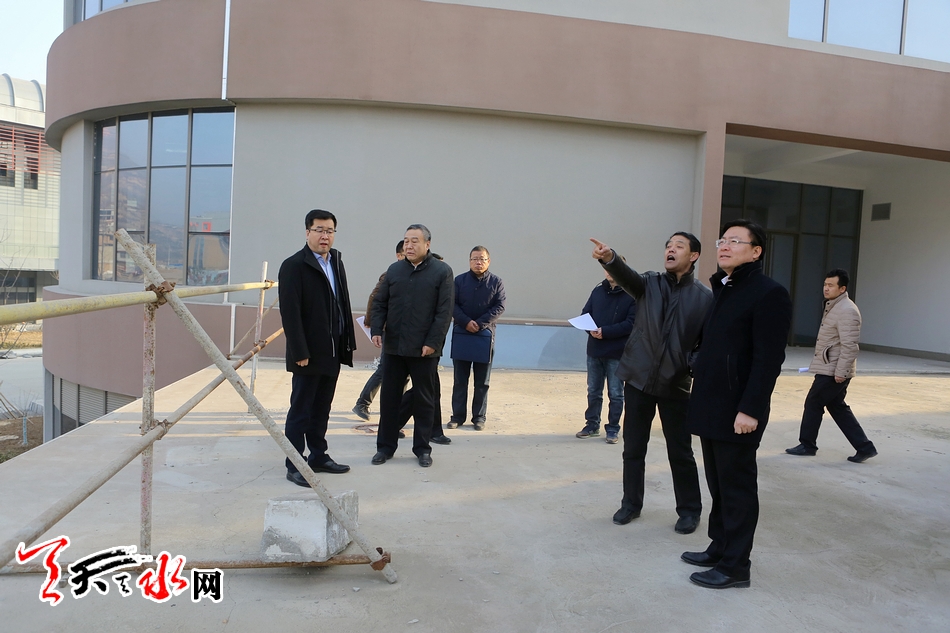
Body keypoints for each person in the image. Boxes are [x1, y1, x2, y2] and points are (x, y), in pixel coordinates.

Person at [682, 219, 792, 589]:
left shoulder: (768, 293)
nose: (725, 246)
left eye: (735, 241)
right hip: (712, 404)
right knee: (718, 484)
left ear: (756, 251)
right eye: (722, 240)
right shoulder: (725, 288)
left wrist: (751, 409)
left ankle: (735, 567)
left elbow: (768, 360)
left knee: (737, 489)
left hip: (738, 410)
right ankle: (719, 548)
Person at [590, 232, 712, 535]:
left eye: (678, 246)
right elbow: (626, 275)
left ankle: (689, 511)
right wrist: (610, 258)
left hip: (676, 384)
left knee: (680, 452)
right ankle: (631, 504)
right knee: (633, 448)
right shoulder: (649, 283)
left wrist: (689, 365)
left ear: (693, 256)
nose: (671, 249)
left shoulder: (704, 298)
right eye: (668, 246)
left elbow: (706, 343)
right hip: (639, 379)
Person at [278, 209, 356, 486]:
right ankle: (294, 463)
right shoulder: (294, 265)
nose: (325, 236)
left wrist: (347, 342)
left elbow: (342, 304)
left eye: (330, 231)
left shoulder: (336, 261)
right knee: (301, 411)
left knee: (322, 408)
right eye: (319, 230)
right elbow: (290, 313)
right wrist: (299, 351)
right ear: (307, 232)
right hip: (307, 355)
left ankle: (318, 456)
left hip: (332, 351)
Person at [370, 224, 454, 467]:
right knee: (389, 399)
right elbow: (380, 302)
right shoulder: (394, 270)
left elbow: (444, 311)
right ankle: (385, 448)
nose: (409, 245)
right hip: (394, 347)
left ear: (427, 244)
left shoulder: (442, 272)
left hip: (424, 349)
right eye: (406, 241)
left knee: (424, 400)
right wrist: (376, 329)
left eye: (414, 241)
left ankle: (423, 449)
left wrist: (432, 342)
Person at [786, 269, 878, 463]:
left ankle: (807, 445)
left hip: (833, 370)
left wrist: (841, 372)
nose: (826, 288)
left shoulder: (847, 310)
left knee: (813, 403)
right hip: (830, 367)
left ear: (842, 288)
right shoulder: (834, 306)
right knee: (837, 407)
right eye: (825, 284)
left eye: (831, 285)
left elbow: (850, 345)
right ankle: (865, 447)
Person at [575, 267, 637, 444]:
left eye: (613, 268)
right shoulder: (597, 291)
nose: (609, 272)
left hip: (617, 352)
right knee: (593, 391)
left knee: (616, 393)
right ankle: (592, 425)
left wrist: (606, 332)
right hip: (595, 350)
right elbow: (585, 314)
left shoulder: (631, 295)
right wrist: (590, 330)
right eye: (606, 269)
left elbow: (631, 323)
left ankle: (613, 428)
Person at [449, 246, 506, 431]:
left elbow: (499, 306)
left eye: (482, 259)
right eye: (474, 259)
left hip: (484, 336)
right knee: (460, 380)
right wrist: (466, 322)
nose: (478, 262)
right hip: (462, 334)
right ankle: (457, 416)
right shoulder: (459, 281)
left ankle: (479, 417)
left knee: (482, 382)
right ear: (469, 261)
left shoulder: (496, 282)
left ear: (488, 261)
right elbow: (452, 304)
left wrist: (480, 323)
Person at [352, 240, 405, 421]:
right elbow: (375, 298)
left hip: (404, 330)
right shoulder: (390, 274)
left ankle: (399, 407)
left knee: (403, 371)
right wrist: (372, 324)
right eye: (405, 253)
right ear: (398, 256)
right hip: (389, 329)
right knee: (385, 368)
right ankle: (362, 403)